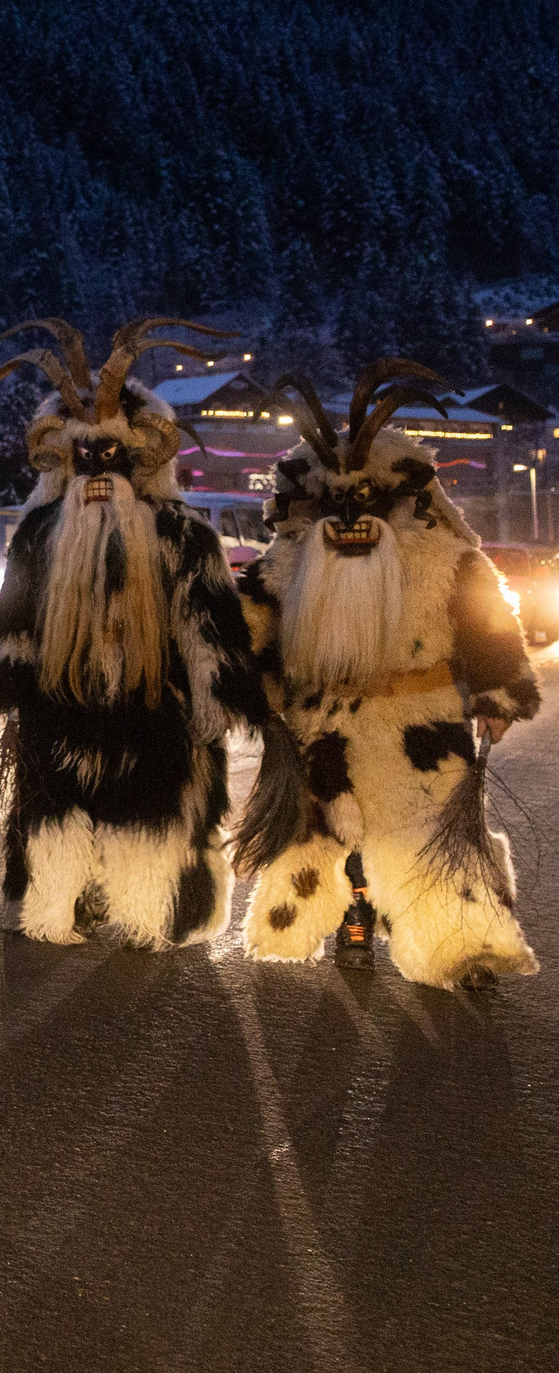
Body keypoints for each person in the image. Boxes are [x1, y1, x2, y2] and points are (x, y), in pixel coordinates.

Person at [232, 362, 540, 988]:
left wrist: (497, 695)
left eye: (365, 501)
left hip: (419, 723)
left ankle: (459, 941)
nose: (349, 517)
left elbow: (487, 626)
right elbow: (248, 642)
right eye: (335, 503)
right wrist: (253, 701)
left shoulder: (446, 560)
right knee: (334, 829)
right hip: (325, 726)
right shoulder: (285, 567)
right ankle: (355, 916)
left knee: (429, 835)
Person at [0, 319, 265, 949]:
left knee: (151, 822)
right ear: (65, 459)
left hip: (153, 715)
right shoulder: (39, 535)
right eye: (86, 457)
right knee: (57, 818)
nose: (100, 471)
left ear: (142, 459)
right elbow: (15, 621)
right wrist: (11, 685)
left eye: (116, 457)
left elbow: (207, 626)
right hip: (61, 715)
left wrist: (217, 702)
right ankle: (58, 905)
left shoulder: (182, 535)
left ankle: (150, 912)